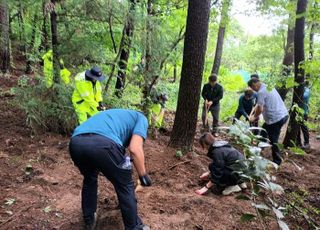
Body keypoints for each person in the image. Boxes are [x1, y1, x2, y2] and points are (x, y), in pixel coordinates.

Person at [69, 109, 151, 230]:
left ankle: (89, 219)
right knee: (125, 184)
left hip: (76, 143)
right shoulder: (141, 118)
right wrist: (143, 175)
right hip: (103, 144)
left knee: (90, 178)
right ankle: (135, 227)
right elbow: (135, 148)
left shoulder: (115, 115)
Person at [248, 77, 288, 165]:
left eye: (253, 88)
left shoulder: (261, 92)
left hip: (276, 119)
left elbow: (260, 109)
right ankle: (258, 151)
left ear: (254, 84)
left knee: (273, 139)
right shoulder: (268, 87)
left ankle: (277, 161)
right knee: (263, 131)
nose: (254, 90)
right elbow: (259, 105)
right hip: (282, 115)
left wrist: (254, 117)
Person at [297, 81, 310, 149]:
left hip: (304, 113)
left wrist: (300, 90)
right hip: (297, 112)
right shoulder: (301, 89)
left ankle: (306, 143)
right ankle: (298, 143)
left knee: (304, 128)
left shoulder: (307, 90)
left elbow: (304, 96)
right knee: (297, 128)